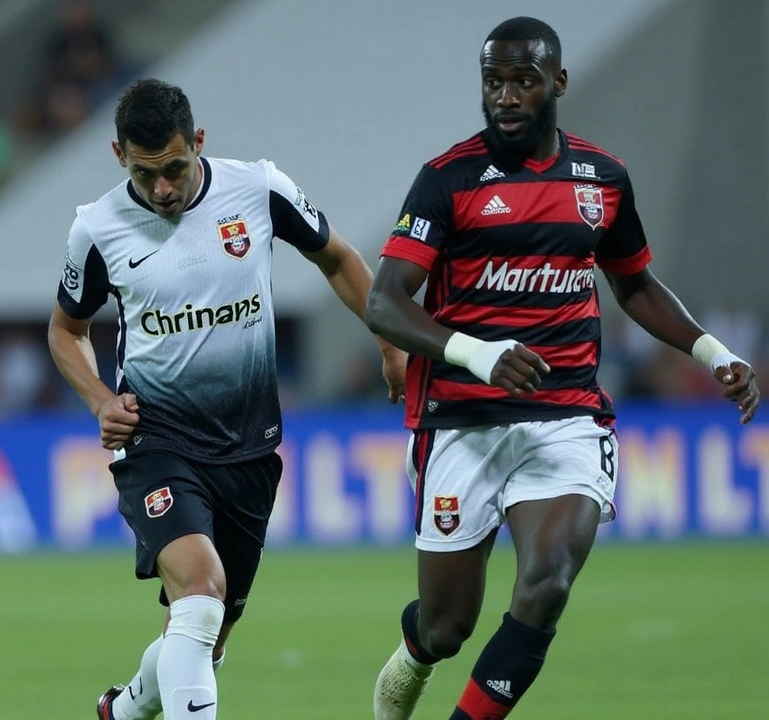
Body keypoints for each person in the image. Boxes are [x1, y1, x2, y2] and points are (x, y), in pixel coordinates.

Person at [365, 17, 759, 720]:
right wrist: (477, 353)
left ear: (558, 83)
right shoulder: (448, 179)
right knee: (446, 626)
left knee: (547, 583)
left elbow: (634, 283)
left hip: (566, 414)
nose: (507, 97)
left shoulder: (601, 179)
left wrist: (710, 351)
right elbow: (385, 301)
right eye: (494, 82)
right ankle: (414, 653)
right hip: (462, 421)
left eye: (523, 81)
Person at [48, 78, 406, 720]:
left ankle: (123, 712)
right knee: (201, 589)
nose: (163, 189)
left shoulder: (259, 188)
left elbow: (338, 258)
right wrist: (102, 399)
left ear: (200, 144)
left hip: (249, 448)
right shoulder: (96, 229)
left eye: (176, 169)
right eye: (145, 172)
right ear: (118, 156)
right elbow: (66, 330)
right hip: (154, 442)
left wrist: (389, 344)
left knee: (202, 638)